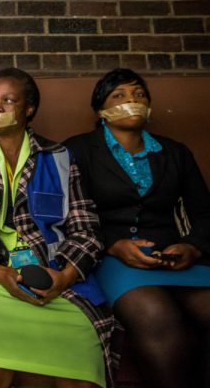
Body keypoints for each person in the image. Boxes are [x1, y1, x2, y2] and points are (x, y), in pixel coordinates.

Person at [0, 68, 116, 388]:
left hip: (53, 275)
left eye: (8, 100)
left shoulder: (59, 157)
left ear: (29, 108)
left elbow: (88, 230)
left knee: (79, 381)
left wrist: (64, 277)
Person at [64, 68, 210, 388]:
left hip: (176, 258)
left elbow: (204, 214)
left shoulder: (175, 153)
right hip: (110, 257)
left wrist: (192, 246)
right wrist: (113, 244)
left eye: (139, 94)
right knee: (156, 315)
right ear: (101, 110)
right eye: (119, 96)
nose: (132, 101)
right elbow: (67, 215)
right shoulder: (77, 151)